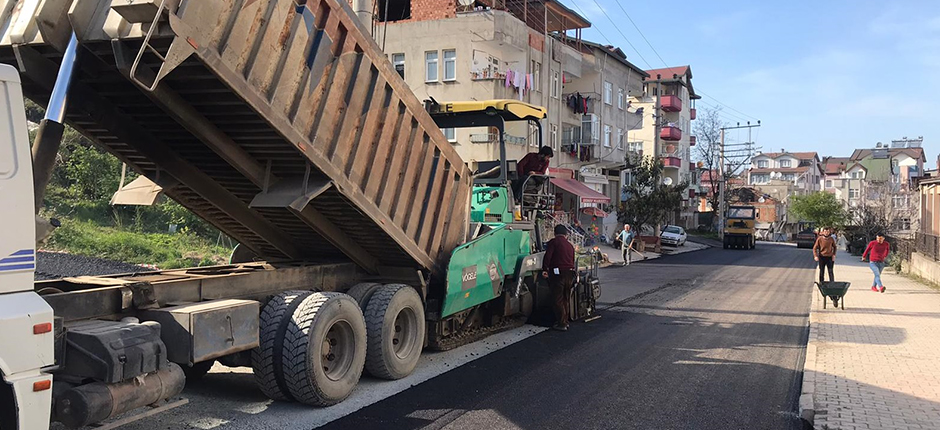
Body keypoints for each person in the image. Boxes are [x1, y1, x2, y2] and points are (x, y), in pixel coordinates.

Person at [543, 224, 576, 331]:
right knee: (566, 298)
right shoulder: (570, 245)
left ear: (555, 233)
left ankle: (561, 324)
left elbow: (548, 256)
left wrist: (545, 269)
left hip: (558, 274)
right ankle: (565, 321)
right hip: (570, 274)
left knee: (557, 299)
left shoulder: (554, 242)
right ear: (566, 234)